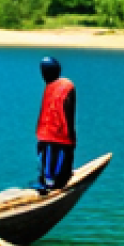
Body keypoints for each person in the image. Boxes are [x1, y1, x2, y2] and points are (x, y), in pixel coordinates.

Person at [35, 56, 76, 192]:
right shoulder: (51, 86)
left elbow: (67, 111)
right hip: (48, 135)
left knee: (55, 157)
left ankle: (53, 182)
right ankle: (49, 181)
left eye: (45, 72)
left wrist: (70, 134)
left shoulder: (65, 86)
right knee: (47, 158)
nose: (43, 75)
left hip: (58, 136)